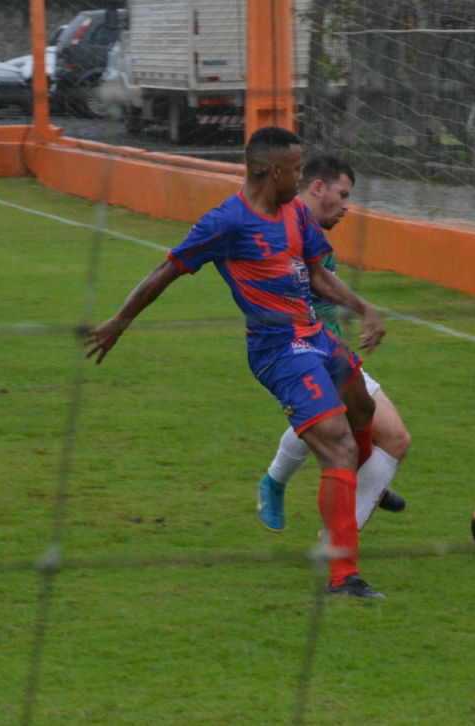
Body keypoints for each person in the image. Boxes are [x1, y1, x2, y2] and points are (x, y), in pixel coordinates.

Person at [84, 127, 390, 599]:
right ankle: (343, 574)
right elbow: (167, 270)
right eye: (294, 167)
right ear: (273, 171)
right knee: (338, 445)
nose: (300, 175)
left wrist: (363, 306)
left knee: (363, 413)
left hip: (316, 336)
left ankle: (343, 494)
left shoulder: (294, 215)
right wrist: (122, 319)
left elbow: (314, 274)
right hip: (278, 351)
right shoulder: (226, 222)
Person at [255, 156, 411, 534]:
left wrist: (361, 312)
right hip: (293, 354)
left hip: (332, 353)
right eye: (342, 195)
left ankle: (339, 509)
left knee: (386, 437)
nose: (346, 206)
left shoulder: (315, 239)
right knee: (370, 435)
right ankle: (326, 513)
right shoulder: (281, 233)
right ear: (316, 187)